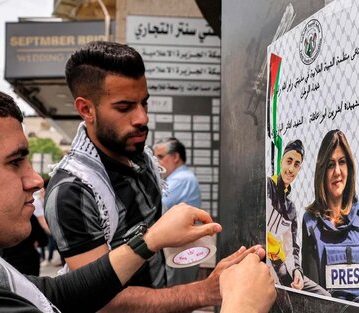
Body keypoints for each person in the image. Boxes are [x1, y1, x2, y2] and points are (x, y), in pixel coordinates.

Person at [0, 80, 264, 313]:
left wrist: (154, 243)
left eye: (145, 104)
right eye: (15, 163)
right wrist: (242, 306)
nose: (35, 180)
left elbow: (57, 293)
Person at [45, 41, 276, 312]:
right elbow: (102, 299)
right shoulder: (73, 191)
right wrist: (203, 291)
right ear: (86, 109)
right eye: (124, 107)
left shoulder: (141, 159)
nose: (142, 118)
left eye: (144, 103)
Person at [302, 129, 359, 303]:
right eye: (330, 164)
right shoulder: (310, 222)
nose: (337, 171)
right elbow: (313, 297)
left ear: (349, 167)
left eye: (342, 162)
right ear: (322, 171)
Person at [266, 139, 329, 296]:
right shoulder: (266, 187)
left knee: (324, 297)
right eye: (289, 161)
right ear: (281, 162)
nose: (291, 168)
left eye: (296, 164)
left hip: (282, 267)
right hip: (262, 263)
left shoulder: (291, 209)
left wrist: (297, 272)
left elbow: (292, 247)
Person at [153, 137, 202, 286]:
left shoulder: (181, 179)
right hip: (182, 247)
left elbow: (154, 206)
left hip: (181, 248)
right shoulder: (181, 177)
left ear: (175, 157)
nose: (156, 162)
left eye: (160, 157)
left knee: (175, 296)